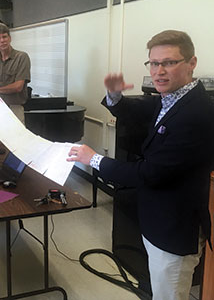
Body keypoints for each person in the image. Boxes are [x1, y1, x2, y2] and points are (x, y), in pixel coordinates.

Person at [68, 30, 213, 300]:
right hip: (157, 221)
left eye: (169, 62)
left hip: (174, 231)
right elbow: (139, 109)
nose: (159, 71)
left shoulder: (196, 114)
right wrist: (114, 95)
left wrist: (94, 159)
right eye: (154, 63)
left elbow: (149, 173)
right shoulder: (173, 98)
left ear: (192, 63)